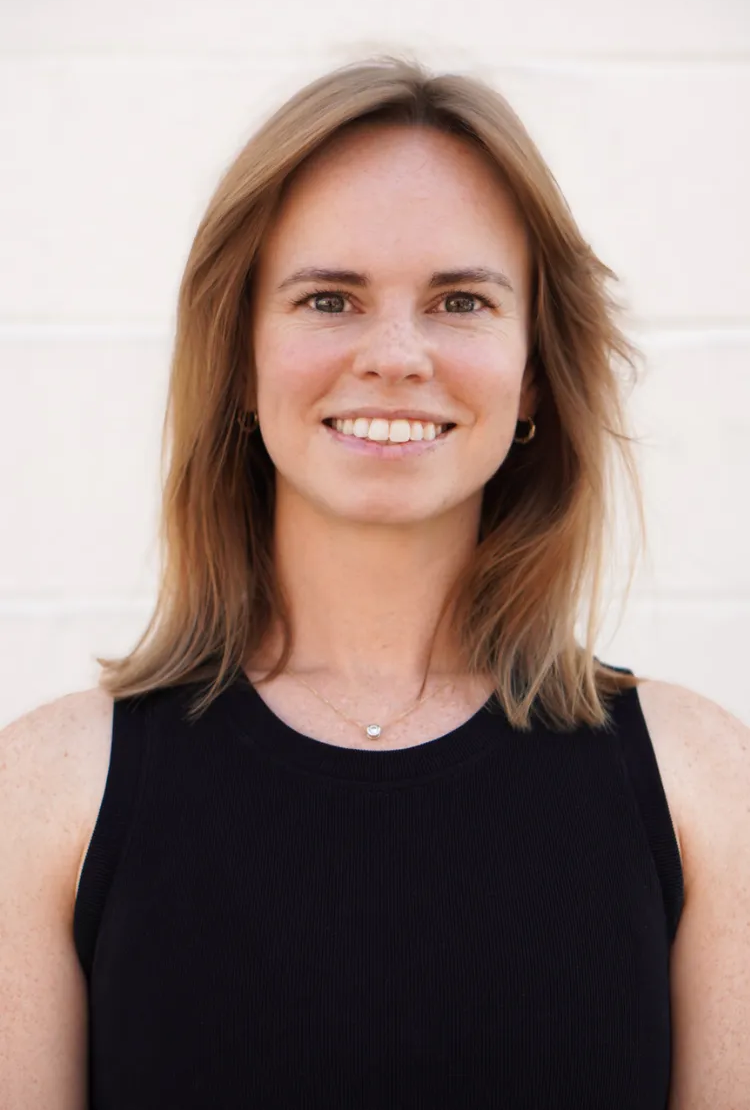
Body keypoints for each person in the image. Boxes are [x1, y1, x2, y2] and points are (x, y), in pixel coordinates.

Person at [1, 55, 748, 1110]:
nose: (396, 355)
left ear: (533, 369)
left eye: (459, 300)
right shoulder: (42, 797)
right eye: (329, 298)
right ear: (241, 361)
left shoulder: (707, 789)